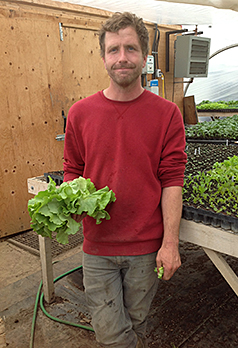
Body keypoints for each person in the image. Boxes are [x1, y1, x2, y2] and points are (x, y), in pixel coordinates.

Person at [63, 11, 187, 348]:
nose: (122, 58)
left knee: (136, 322)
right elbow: (72, 168)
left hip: (146, 249)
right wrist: (69, 201)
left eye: (130, 49)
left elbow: (172, 178)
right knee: (111, 333)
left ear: (144, 57)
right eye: (114, 49)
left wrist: (171, 243)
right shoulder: (80, 113)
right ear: (103, 57)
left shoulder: (166, 114)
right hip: (98, 246)